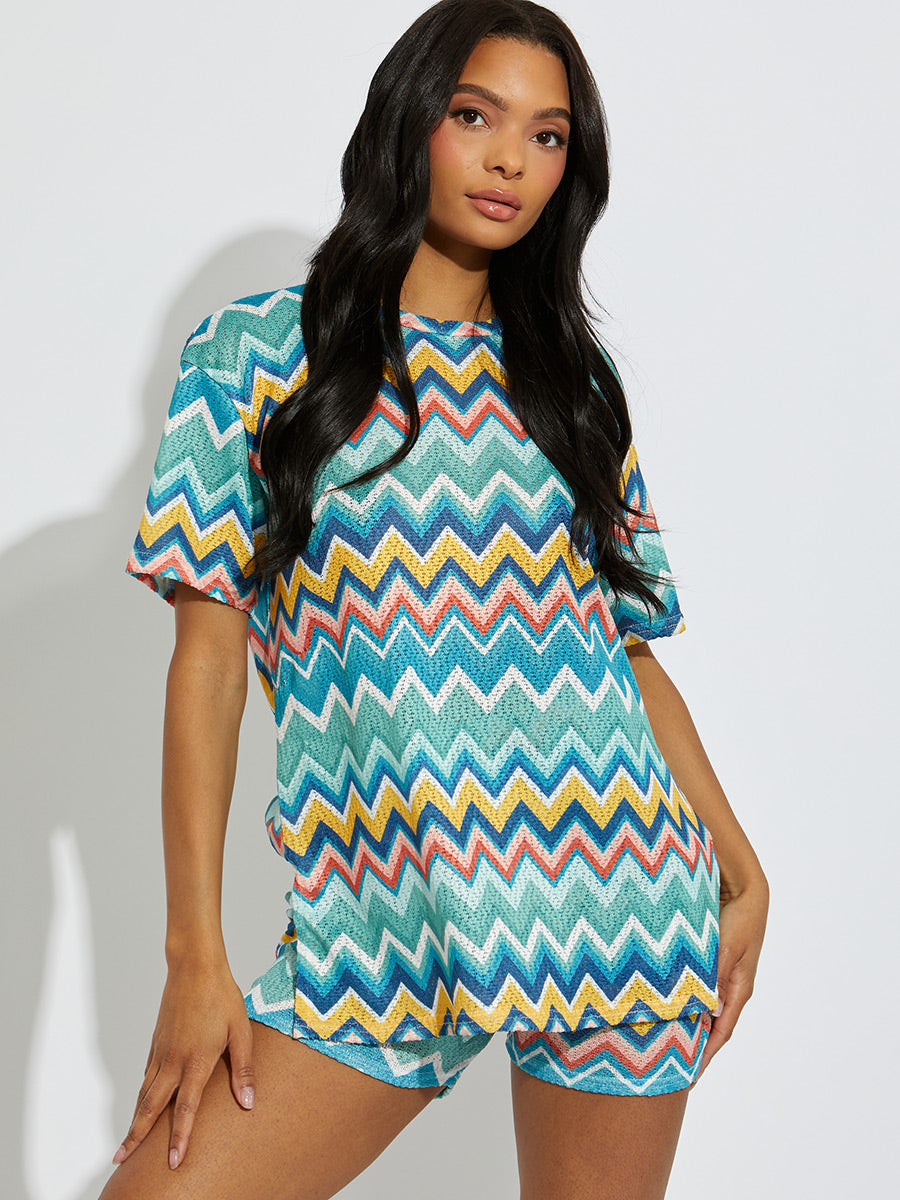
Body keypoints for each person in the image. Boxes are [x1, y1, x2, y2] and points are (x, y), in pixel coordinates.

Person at [100, 2, 769, 1197]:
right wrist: (194, 953)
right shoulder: (256, 356)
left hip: (619, 902)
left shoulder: (572, 383)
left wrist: (739, 861)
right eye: (475, 116)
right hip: (382, 926)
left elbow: (621, 650)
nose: (512, 160)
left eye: (548, 136)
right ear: (410, 121)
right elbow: (206, 661)